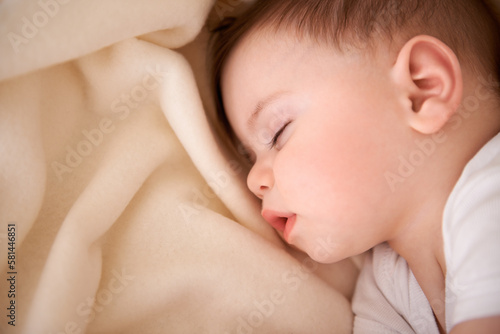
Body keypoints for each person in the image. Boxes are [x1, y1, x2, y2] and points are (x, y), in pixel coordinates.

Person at [209, 0, 500, 332]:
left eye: (277, 133)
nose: (253, 181)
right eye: (249, 158)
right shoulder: (384, 288)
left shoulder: (491, 192)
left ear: (423, 89)